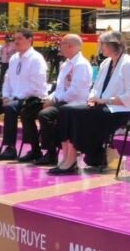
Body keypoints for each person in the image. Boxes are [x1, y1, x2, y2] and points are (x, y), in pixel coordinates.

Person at [50, 30, 130, 175]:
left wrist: (104, 100)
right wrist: (92, 99)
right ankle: (67, 157)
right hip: (101, 105)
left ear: (113, 45)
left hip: (119, 109)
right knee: (66, 110)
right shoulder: (105, 63)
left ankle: (72, 159)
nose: (100, 48)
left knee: (75, 113)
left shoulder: (129, 63)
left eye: (102, 44)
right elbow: (95, 88)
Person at [0, 29, 48, 160]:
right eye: (15, 39)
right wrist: (6, 96)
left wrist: (13, 99)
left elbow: (36, 85)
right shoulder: (14, 58)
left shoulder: (36, 59)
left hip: (32, 98)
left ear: (29, 40)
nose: (16, 41)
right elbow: (7, 80)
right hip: (14, 98)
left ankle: (10, 148)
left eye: (19, 38)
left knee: (10, 107)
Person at [35, 34, 93, 166]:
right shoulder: (66, 64)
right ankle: (35, 149)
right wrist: (49, 98)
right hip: (62, 101)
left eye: (62, 44)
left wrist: (54, 100)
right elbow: (60, 88)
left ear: (70, 46)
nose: (59, 47)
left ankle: (51, 153)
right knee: (30, 108)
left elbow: (75, 91)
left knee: (45, 115)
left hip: (75, 103)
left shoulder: (81, 65)